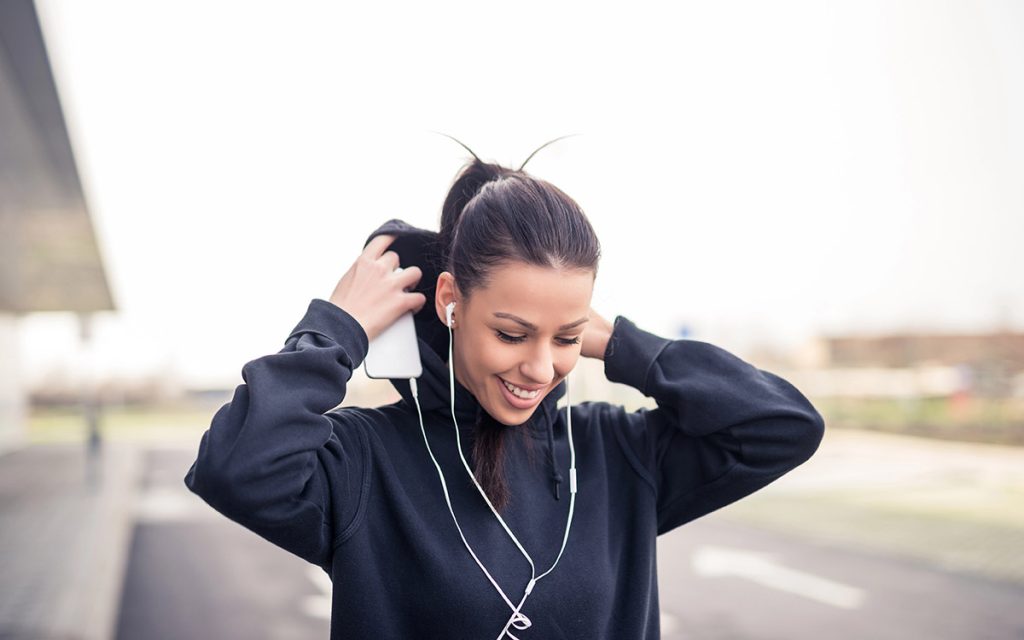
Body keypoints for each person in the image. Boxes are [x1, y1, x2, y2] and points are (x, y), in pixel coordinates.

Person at [183, 155, 826, 639]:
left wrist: (625, 345)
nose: (541, 366)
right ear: (449, 301)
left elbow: (782, 425)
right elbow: (235, 467)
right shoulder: (363, 462)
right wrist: (336, 328)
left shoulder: (617, 454)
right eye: (513, 333)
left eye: (566, 337)